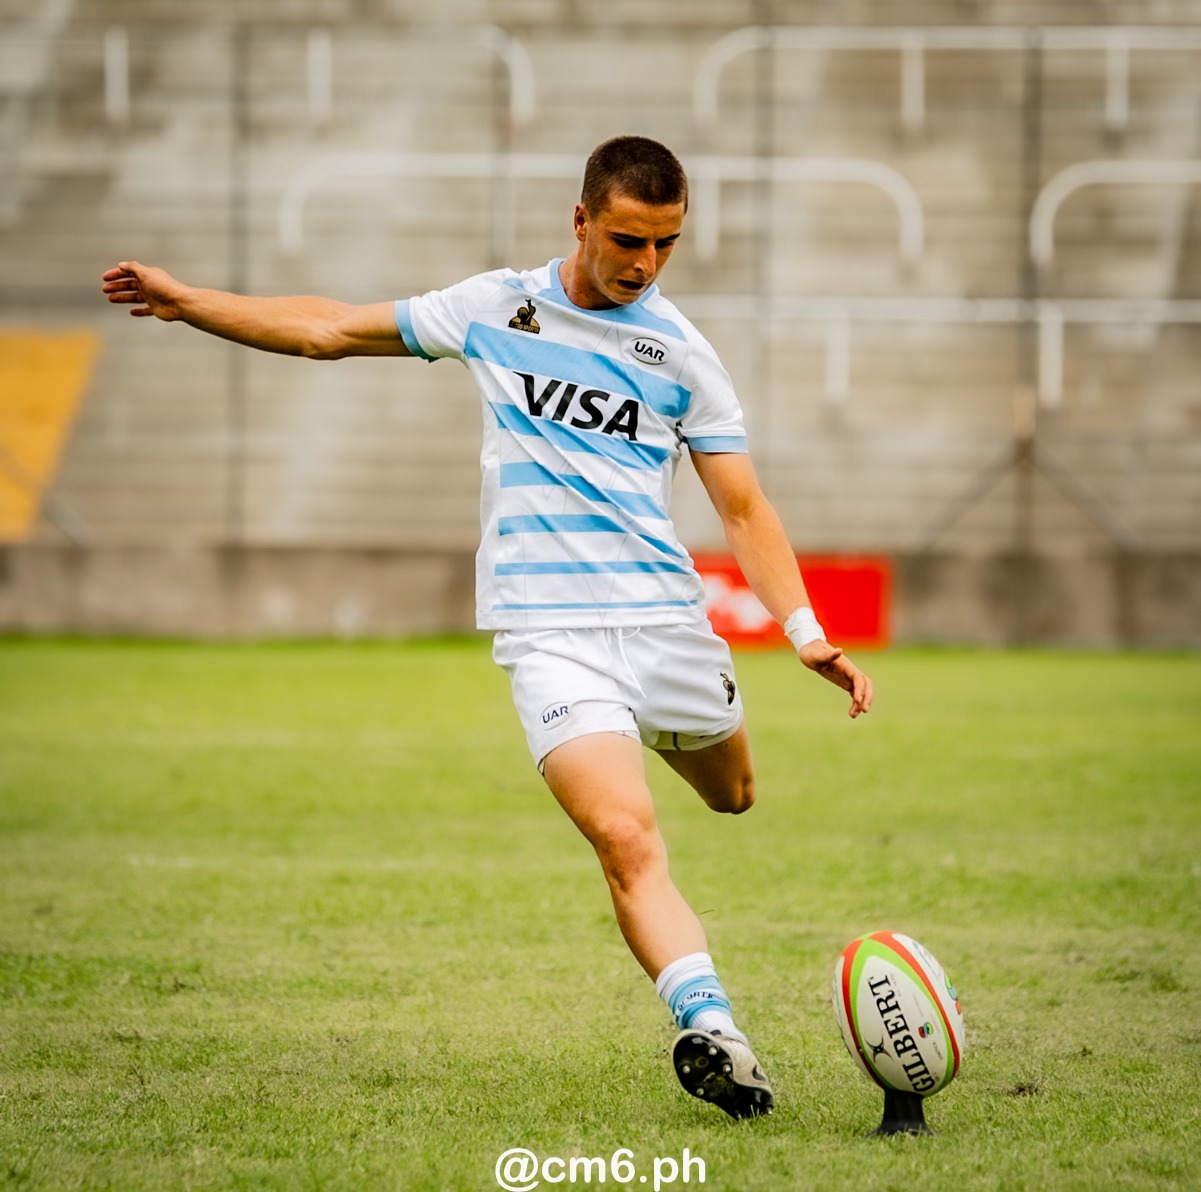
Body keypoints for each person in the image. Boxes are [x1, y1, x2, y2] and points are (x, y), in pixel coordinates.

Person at [102, 135, 873, 1120]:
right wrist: (190, 302)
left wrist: (803, 628)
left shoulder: (681, 353)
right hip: (548, 632)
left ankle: (686, 771)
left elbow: (742, 507)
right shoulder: (496, 307)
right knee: (625, 836)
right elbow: (329, 328)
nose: (643, 264)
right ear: (581, 219)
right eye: (628, 240)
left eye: (667, 245)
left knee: (734, 796)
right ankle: (715, 1030)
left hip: (665, 625)